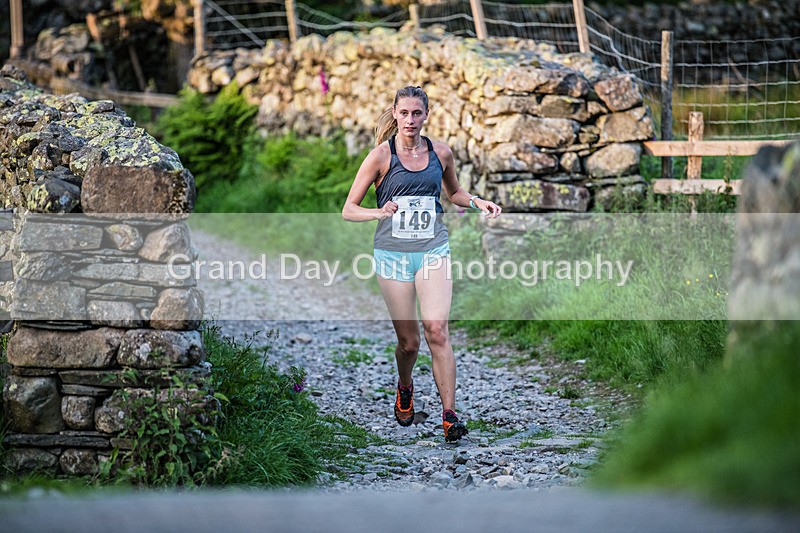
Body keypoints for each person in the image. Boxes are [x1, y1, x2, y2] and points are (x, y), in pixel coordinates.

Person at [342, 86, 501, 442]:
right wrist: (378, 212)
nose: (411, 120)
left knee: (437, 330)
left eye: (417, 113)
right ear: (395, 115)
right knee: (410, 343)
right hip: (392, 254)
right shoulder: (380, 157)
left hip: (433, 249)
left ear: (426, 115)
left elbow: (454, 193)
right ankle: (405, 386)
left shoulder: (440, 153)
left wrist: (479, 202)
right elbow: (348, 209)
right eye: (404, 114)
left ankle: (449, 415)